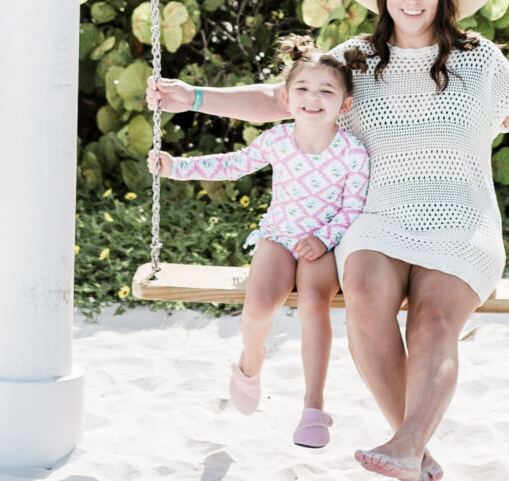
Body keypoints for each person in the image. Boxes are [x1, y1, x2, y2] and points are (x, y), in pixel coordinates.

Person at [155, 0, 509, 481]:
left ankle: (408, 444)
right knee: (367, 303)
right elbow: (283, 100)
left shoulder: (478, 60)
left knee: (433, 322)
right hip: (376, 218)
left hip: (461, 221)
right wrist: (195, 96)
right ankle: (411, 445)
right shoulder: (354, 60)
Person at [147, 46, 368, 448]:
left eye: (326, 91)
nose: (313, 99)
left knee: (313, 304)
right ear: (286, 99)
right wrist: (175, 168)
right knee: (259, 305)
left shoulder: (353, 152)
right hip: (280, 235)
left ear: (346, 103)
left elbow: (354, 206)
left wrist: (324, 239)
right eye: (302, 88)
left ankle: (313, 406)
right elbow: (233, 165)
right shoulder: (278, 140)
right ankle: (250, 364)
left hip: (324, 243)